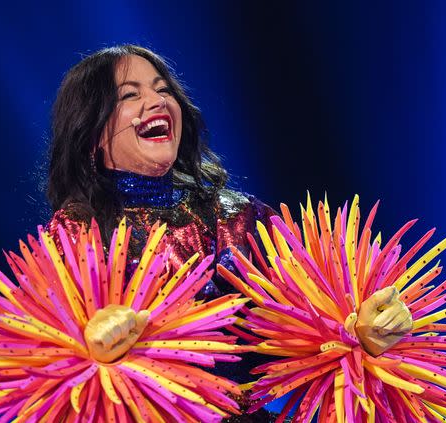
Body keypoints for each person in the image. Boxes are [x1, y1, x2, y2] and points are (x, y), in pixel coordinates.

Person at [45, 45, 412, 422]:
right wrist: (90, 354)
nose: (156, 101)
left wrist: (362, 331)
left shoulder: (239, 216)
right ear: (90, 135)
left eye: (163, 89)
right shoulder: (77, 231)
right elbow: (48, 365)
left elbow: (311, 320)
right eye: (129, 95)